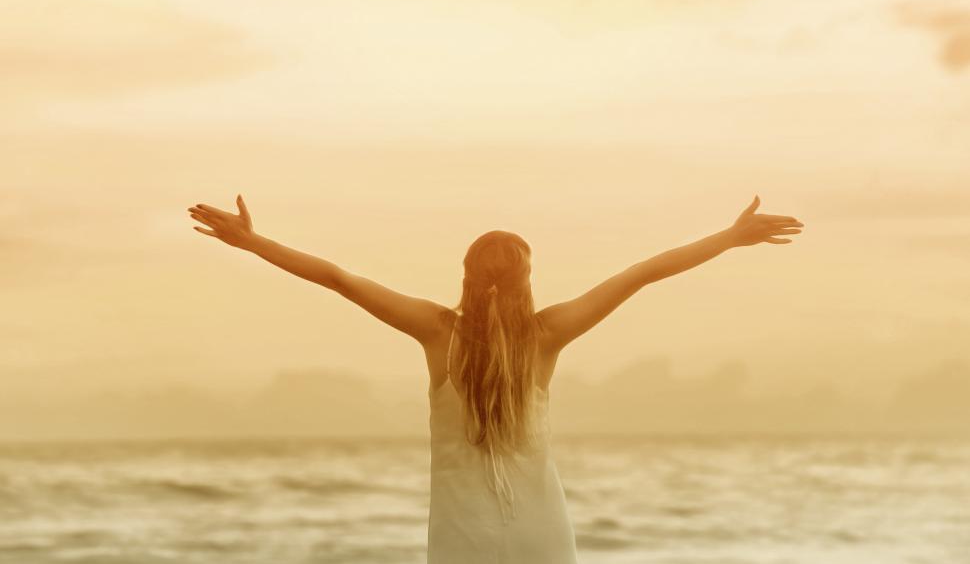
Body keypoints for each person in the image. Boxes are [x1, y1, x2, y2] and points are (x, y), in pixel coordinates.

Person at [187, 194, 803, 563]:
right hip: (542, 528)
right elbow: (641, 273)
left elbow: (340, 279)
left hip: (462, 535)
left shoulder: (436, 331)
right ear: (527, 278)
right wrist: (729, 237)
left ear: (464, 272)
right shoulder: (549, 332)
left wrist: (251, 242)